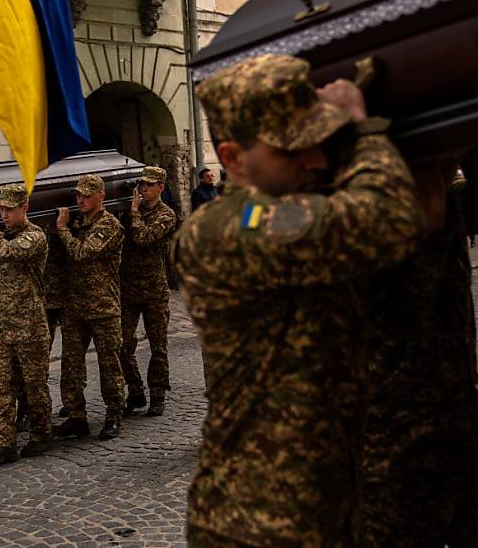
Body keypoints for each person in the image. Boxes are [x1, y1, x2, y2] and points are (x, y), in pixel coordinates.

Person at [175, 54, 424, 546]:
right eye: (293, 151)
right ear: (232, 159)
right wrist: (364, 129)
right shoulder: (231, 229)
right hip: (257, 525)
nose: (317, 160)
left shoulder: (290, 211)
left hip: (320, 511)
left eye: (322, 142)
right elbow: (388, 220)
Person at [362, 143, 478, 546]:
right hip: (379, 469)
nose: (447, 166)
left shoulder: (449, 208)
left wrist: (465, 137)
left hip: (464, 450)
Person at [0, 185, 53, 466]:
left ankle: (41, 433)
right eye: (1, 209)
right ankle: (3, 442)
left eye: (9, 209)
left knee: (34, 386)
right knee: (2, 386)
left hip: (29, 325)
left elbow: (7, 253)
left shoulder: (35, 237)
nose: (3, 214)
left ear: (25, 209)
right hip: (0, 325)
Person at [53, 174, 126, 441]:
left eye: (86, 195)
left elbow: (82, 253)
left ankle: (114, 414)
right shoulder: (77, 224)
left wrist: (62, 229)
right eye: (77, 195)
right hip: (75, 305)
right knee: (71, 364)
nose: (80, 200)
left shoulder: (110, 226)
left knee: (109, 364)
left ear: (101, 196)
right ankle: (76, 416)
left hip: (103, 305)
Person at [119, 166, 178, 416]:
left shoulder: (166, 215)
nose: (143, 188)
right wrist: (131, 212)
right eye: (141, 184)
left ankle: (158, 395)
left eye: (149, 185)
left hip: (154, 290)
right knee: (121, 344)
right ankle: (135, 390)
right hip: (129, 289)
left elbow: (143, 238)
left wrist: (133, 214)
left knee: (158, 347)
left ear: (160, 188)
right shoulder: (131, 210)